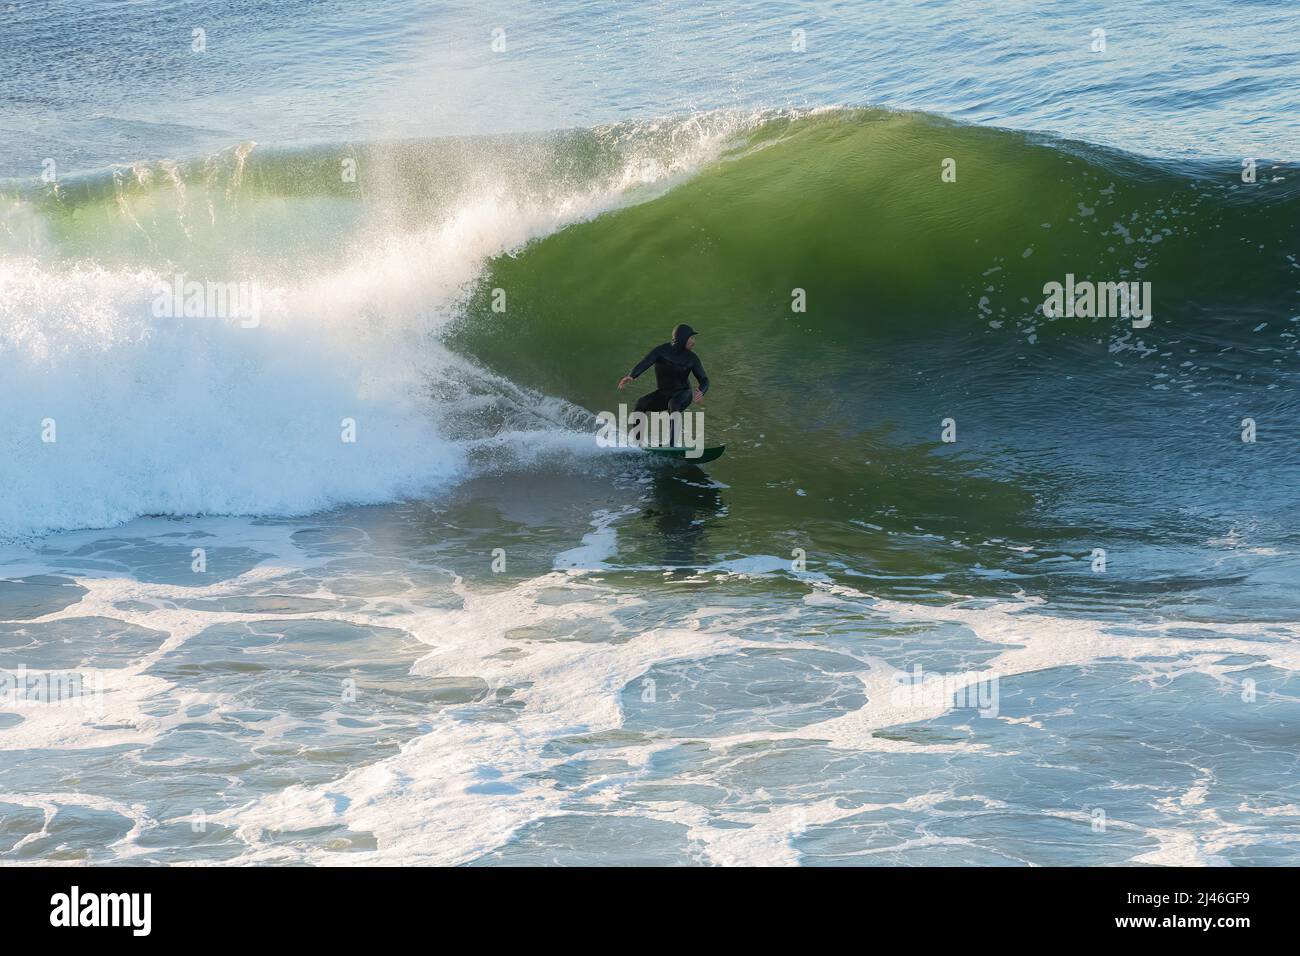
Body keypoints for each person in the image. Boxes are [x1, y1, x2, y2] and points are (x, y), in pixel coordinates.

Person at [618, 324, 709, 446]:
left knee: (674, 403)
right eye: (691, 338)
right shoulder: (661, 351)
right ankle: (637, 443)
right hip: (663, 393)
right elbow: (646, 361)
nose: (694, 342)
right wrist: (632, 375)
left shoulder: (692, 358)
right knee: (641, 403)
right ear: (682, 339)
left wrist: (702, 391)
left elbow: (704, 379)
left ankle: (671, 446)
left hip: (683, 393)